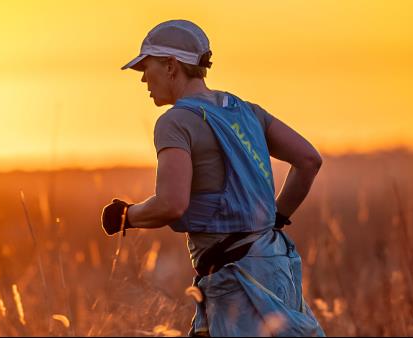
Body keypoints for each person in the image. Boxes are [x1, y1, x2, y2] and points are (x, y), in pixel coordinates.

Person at [100, 19, 326, 337]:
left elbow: (171, 203)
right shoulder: (247, 111)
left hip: (236, 277)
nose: (143, 80)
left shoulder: (176, 121)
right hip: (276, 262)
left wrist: (126, 216)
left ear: (170, 66)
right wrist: (276, 219)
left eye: (145, 68)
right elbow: (308, 160)